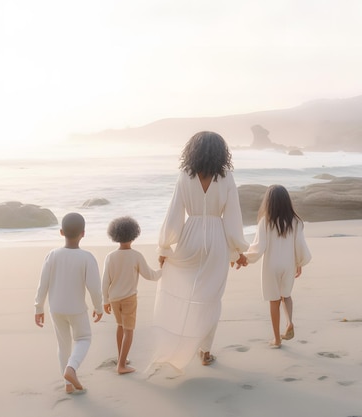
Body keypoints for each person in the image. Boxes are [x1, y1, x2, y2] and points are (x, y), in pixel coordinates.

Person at [152, 131, 249, 371]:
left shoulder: (185, 176)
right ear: (221, 152)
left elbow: (174, 213)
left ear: (192, 151)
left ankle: (181, 341)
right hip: (216, 240)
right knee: (212, 298)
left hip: (190, 236)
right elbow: (233, 217)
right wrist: (237, 250)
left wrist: (165, 245)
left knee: (187, 294)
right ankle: (205, 351)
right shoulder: (226, 177)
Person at [34, 212, 103, 395]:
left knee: (63, 345)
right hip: (77, 309)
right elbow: (94, 288)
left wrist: (38, 307)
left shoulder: (52, 255)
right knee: (83, 338)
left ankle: (68, 385)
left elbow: (43, 284)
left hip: (55, 309)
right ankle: (71, 369)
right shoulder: (87, 257)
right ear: (83, 233)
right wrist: (98, 307)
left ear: (61, 232)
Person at [240, 185, 311, 348]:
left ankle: (277, 339)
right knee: (286, 295)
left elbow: (259, 246)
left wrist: (245, 258)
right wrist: (299, 263)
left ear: (269, 202)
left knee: (274, 301)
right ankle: (289, 323)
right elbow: (299, 245)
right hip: (288, 264)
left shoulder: (265, 221)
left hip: (271, 265)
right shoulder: (296, 222)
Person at [102, 216, 162, 374]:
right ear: (134, 234)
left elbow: (105, 281)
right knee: (129, 330)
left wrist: (105, 301)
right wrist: (164, 269)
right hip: (129, 299)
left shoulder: (110, 257)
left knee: (120, 326)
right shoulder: (136, 256)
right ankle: (121, 365)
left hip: (114, 298)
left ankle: (121, 357)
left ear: (114, 235)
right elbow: (150, 275)